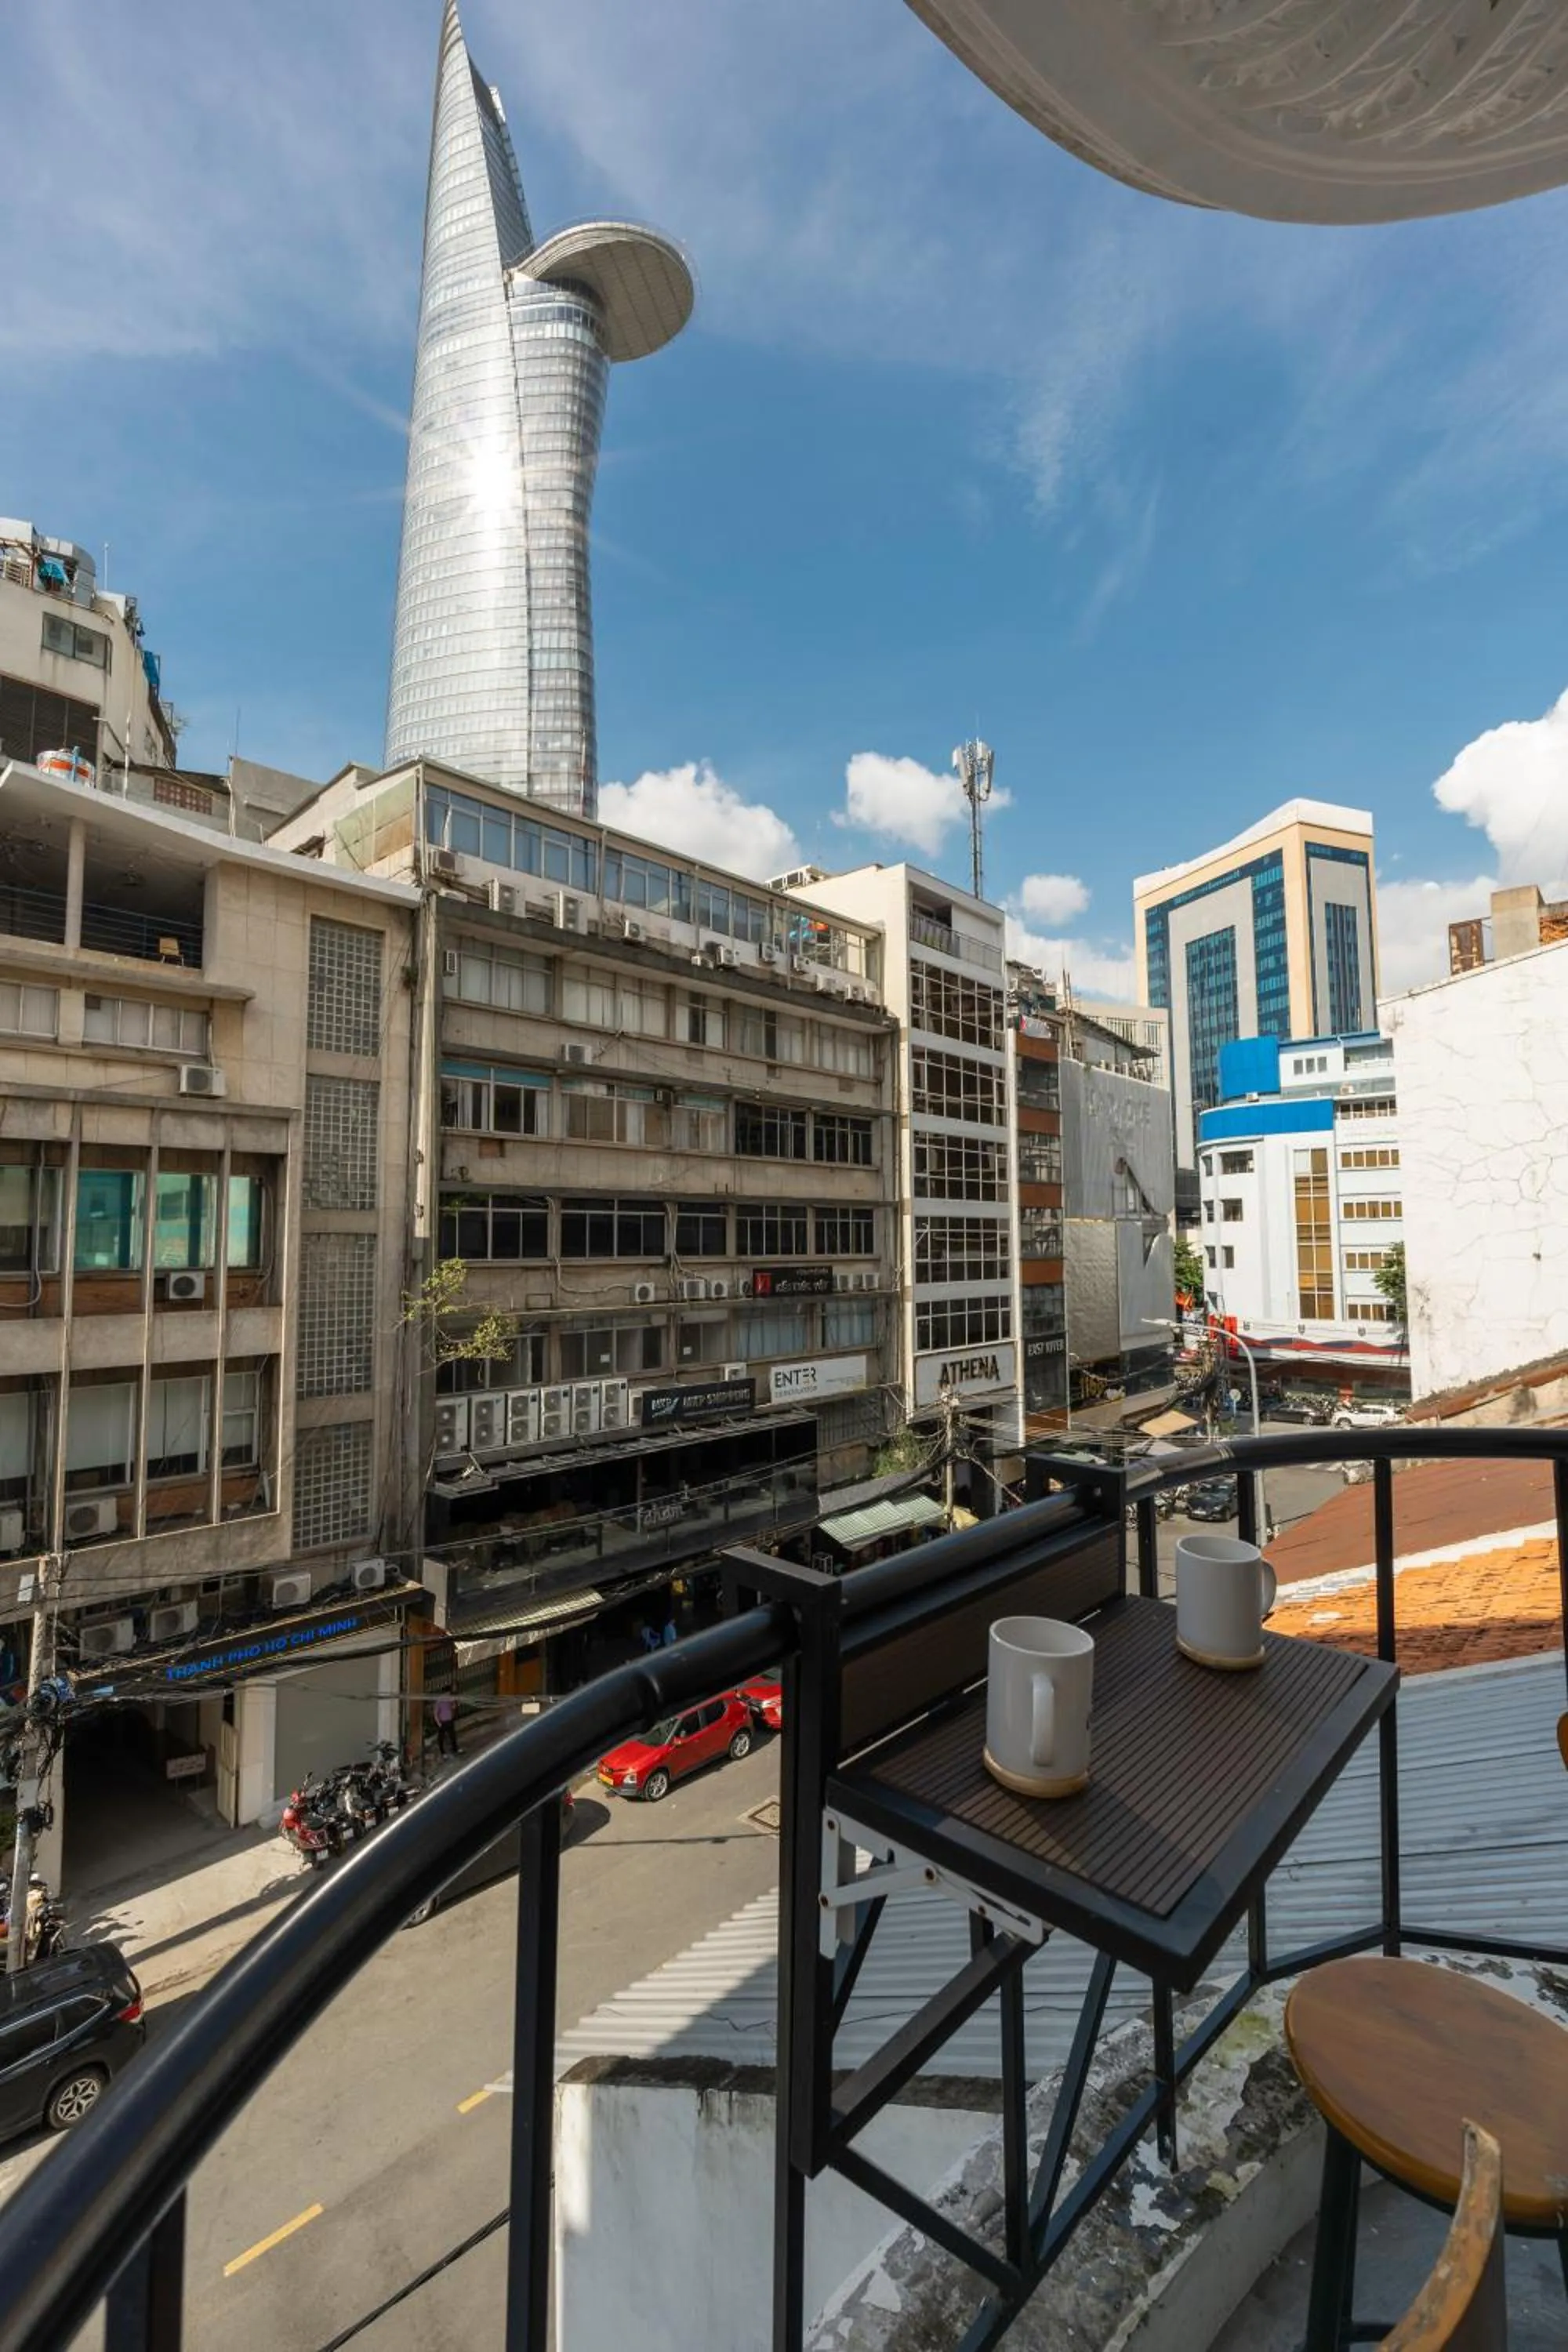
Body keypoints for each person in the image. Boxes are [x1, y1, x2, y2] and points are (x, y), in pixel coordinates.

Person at [433, 1692, 459, 1757]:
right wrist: (439, 1723)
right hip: (443, 1722)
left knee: (452, 1735)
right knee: (441, 1737)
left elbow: (454, 1707)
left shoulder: (449, 1700)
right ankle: (443, 1752)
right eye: (447, 1694)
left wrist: (454, 1702)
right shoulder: (439, 1702)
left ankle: (455, 1749)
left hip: (449, 1721)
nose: (448, 1695)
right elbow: (435, 1713)